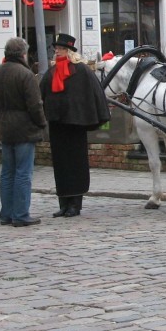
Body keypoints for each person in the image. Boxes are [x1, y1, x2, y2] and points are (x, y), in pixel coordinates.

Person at [39, 33, 111, 218]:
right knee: (60, 165)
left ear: (69, 51)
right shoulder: (51, 72)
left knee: (75, 164)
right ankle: (63, 202)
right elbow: (42, 93)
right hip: (57, 124)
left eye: (61, 49)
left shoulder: (82, 70)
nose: (57, 51)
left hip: (75, 124)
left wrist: (95, 117)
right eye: (56, 49)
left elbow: (95, 93)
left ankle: (75, 204)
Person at [0, 37, 48, 227]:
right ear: (23, 54)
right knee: (23, 173)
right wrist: (42, 123)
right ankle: (20, 214)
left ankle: (6, 214)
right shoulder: (26, 75)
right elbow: (35, 105)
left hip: (5, 128)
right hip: (24, 130)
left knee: (7, 173)